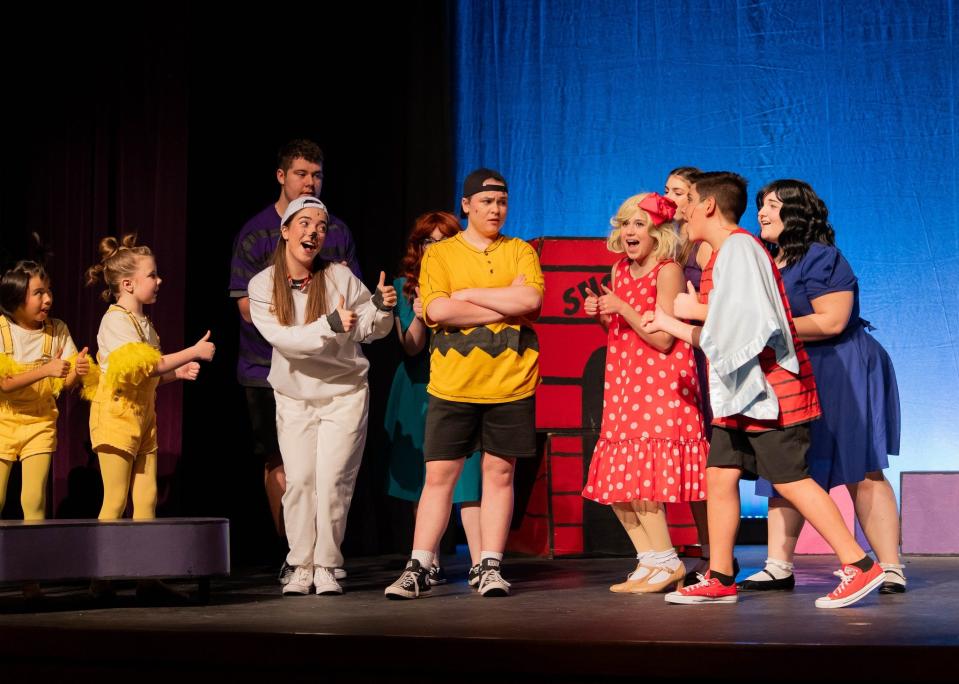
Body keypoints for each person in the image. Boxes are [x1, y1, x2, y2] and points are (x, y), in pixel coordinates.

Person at [641, 171, 884, 608]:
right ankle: (719, 575)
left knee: (791, 479)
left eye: (689, 200)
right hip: (739, 393)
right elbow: (729, 322)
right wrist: (686, 317)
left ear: (709, 205)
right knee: (718, 474)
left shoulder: (740, 249)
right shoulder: (723, 254)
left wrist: (680, 319)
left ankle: (860, 565)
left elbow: (746, 329)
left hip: (769, 392)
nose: (682, 209)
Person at [737, 179, 904, 594]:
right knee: (785, 463)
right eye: (760, 204)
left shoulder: (822, 258)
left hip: (841, 366)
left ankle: (889, 566)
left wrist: (764, 329)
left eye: (773, 205)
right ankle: (778, 564)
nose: (761, 212)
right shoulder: (766, 261)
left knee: (861, 465)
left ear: (796, 212)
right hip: (793, 368)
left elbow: (831, 320)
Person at [385, 168, 544, 599]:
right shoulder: (440, 255)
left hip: (510, 381)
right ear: (468, 205)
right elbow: (436, 311)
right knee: (438, 475)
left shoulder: (520, 252)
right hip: (453, 384)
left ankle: (489, 565)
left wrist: (468, 295)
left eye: (502, 202)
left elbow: (531, 300)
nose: (496, 210)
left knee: (499, 472)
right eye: (488, 202)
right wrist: (499, 302)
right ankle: (418, 566)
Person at [248, 196, 394, 596]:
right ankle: (300, 563)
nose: (313, 232)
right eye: (305, 223)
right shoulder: (262, 285)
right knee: (299, 481)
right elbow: (284, 340)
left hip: (344, 393)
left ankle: (327, 564)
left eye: (321, 226)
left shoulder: (339, 278)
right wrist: (329, 323)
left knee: (333, 482)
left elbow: (369, 327)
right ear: (285, 230)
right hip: (295, 396)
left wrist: (381, 309)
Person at [229, 139, 359, 583]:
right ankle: (295, 555)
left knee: (330, 474)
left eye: (317, 174)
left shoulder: (334, 232)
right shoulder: (257, 234)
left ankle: (321, 559)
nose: (310, 180)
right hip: (268, 368)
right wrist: (303, 329)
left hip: (332, 374)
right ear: (282, 176)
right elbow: (249, 307)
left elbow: (353, 304)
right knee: (287, 470)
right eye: (302, 173)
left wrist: (363, 315)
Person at [582, 192, 708, 593]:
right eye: (624, 224)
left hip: (661, 383)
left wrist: (623, 308)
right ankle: (649, 559)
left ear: (657, 231)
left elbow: (663, 339)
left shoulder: (667, 270)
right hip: (624, 381)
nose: (629, 232)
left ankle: (669, 561)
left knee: (643, 479)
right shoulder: (620, 269)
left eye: (638, 223)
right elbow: (624, 333)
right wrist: (605, 315)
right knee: (620, 479)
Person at [85, 235, 214, 522]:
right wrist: (193, 351)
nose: (159, 281)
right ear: (127, 284)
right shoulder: (115, 320)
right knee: (116, 498)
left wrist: (176, 373)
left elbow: (147, 374)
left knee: (147, 497)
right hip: (116, 416)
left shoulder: (145, 325)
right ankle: (106, 563)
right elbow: (148, 365)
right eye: (152, 275)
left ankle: (143, 565)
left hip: (144, 418)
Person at [384, 211, 483, 586]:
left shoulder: (471, 281)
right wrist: (425, 307)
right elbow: (411, 347)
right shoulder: (404, 286)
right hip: (418, 388)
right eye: (429, 241)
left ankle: (480, 562)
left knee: (470, 475)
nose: (436, 248)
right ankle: (428, 563)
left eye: (444, 241)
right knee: (424, 476)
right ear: (418, 247)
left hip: (464, 383)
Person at [1, 261, 91, 521]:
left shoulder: (57, 330)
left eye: (49, 291)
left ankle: (33, 557)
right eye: (39, 293)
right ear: (16, 297)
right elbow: (5, 383)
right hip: (3, 420)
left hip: (40, 421)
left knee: (34, 498)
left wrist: (78, 370)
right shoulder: (2, 330)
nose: (48, 298)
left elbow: (65, 381)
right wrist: (46, 369)